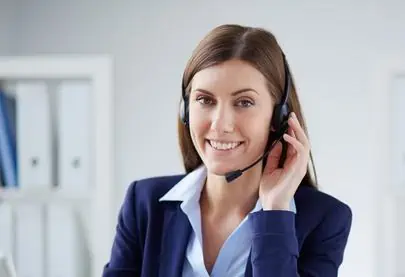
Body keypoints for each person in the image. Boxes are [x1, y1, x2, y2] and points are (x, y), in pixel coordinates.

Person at [102, 24, 353, 277]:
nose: (220, 124)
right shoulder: (144, 204)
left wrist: (276, 211)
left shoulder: (325, 219)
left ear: (279, 117)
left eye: (244, 102)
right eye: (205, 100)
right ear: (185, 110)